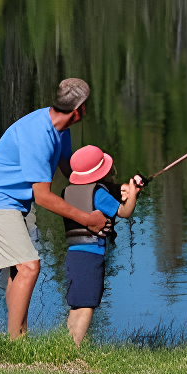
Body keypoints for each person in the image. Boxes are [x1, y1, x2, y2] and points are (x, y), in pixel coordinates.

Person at [0, 77, 105, 337]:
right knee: (30, 265)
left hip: (12, 202)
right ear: (80, 109)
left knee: (18, 270)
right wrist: (87, 219)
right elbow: (42, 197)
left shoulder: (59, 129)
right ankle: (18, 344)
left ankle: (10, 338)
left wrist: (111, 188)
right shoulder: (39, 135)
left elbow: (70, 171)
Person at [59, 144, 145, 346]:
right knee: (87, 304)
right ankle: (75, 348)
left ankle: (68, 344)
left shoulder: (68, 192)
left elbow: (111, 195)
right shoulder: (97, 193)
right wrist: (132, 194)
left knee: (76, 303)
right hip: (91, 255)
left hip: (73, 254)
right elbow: (124, 212)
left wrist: (127, 191)